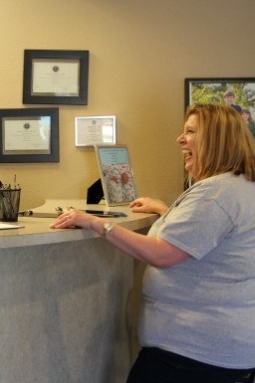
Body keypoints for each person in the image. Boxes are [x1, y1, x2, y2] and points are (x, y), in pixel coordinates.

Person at [51, 103, 255, 383]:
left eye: (190, 132)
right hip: (213, 353)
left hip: (194, 357)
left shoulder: (215, 194)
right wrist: (165, 210)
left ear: (216, 140)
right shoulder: (238, 187)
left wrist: (96, 223)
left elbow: (162, 254)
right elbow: (204, 235)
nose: (180, 139)